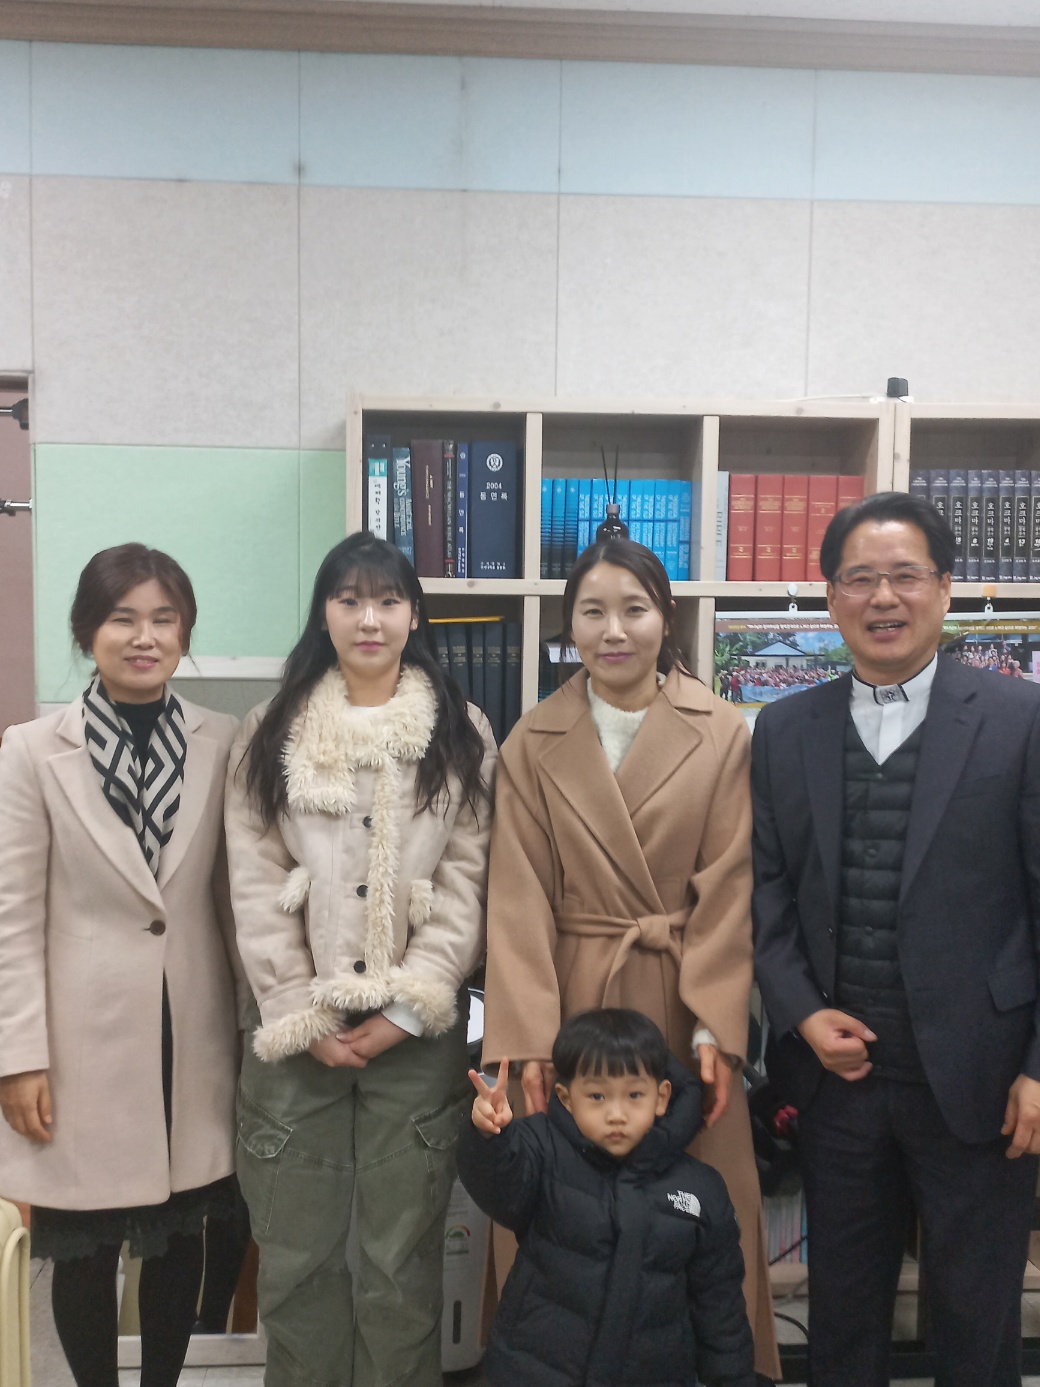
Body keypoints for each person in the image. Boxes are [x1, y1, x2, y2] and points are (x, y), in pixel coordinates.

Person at [751, 489, 1040, 1387]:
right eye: (860, 578)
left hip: (982, 1081)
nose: (883, 597)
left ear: (945, 588)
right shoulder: (784, 727)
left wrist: (1039, 1065)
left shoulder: (1021, 719)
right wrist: (801, 1013)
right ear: (830, 597)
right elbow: (767, 890)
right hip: (839, 1083)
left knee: (976, 1320)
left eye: (906, 576)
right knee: (842, 1317)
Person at [482, 536, 780, 1381]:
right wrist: (529, 1040)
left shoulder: (720, 729)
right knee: (559, 1209)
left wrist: (716, 1027)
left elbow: (728, 885)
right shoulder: (532, 737)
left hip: (682, 999)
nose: (614, 630)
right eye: (593, 611)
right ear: (569, 623)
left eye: (634, 609)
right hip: (571, 994)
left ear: (666, 616)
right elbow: (517, 898)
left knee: (700, 1204)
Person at [224, 532, 496, 1387]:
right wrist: (298, 1012)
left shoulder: (461, 729)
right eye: (349, 600)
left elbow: (466, 881)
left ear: (415, 614)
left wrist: (409, 1006)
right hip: (294, 1032)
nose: (368, 618)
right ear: (324, 614)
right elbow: (253, 881)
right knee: (296, 1260)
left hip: (416, 1036)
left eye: (387, 600)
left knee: (399, 1264)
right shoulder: (270, 728)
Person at [0, 543, 246, 1387]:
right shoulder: (31, 750)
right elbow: (11, 915)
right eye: (123, 618)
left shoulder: (222, 740)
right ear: (87, 631)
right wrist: (17, 1055)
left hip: (195, 1028)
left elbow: (232, 897)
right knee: (86, 1242)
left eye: (164, 619)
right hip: (81, 1038)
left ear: (185, 631)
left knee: (180, 1231)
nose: (145, 637)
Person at [458, 1008, 754, 1387]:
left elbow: (721, 1309)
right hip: (535, 1368)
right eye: (597, 1096)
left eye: (635, 1095)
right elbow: (498, 1188)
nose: (616, 1114)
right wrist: (489, 1136)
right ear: (566, 1098)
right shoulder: (542, 1150)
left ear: (662, 1097)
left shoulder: (701, 1187)